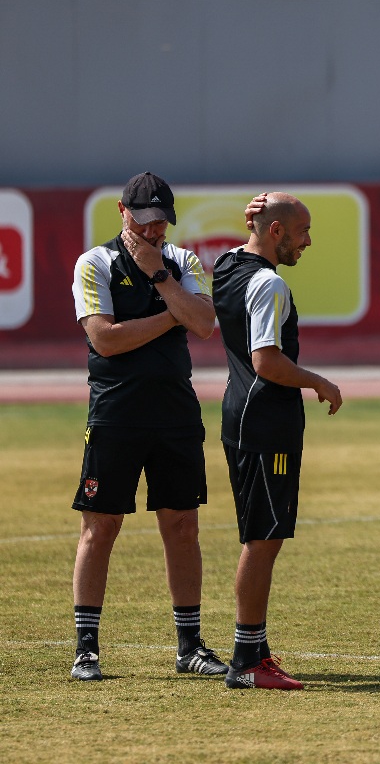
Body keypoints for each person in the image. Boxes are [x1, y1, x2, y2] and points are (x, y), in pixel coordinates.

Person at [69, 172, 226, 681]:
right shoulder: (94, 263)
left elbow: (204, 323)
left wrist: (160, 279)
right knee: (101, 524)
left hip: (176, 414)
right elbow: (106, 340)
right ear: (123, 213)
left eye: (162, 221)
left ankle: (190, 646)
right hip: (115, 413)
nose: (154, 230)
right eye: (145, 221)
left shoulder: (181, 263)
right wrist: (170, 315)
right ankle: (87, 648)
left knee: (182, 525)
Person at [213, 192, 343, 690]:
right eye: (302, 231)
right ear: (276, 232)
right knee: (264, 540)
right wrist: (318, 381)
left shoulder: (226, 266)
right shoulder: (269, 284)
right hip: (266, 424)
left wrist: (252, 217)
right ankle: (247, 659)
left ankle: (256, 647)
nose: (307, 241)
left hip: (239, 416)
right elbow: (266, 360)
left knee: (258, 535)